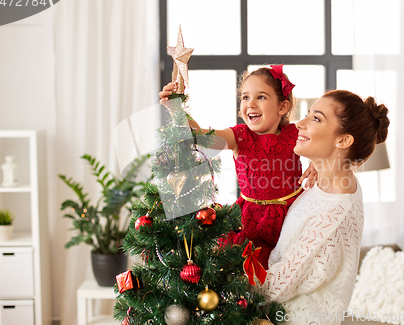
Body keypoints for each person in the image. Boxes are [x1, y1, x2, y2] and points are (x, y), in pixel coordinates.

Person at [255, 90, 390, 325]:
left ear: (343, 140)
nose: (299, 123)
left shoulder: (334, 215)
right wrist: (319, 161)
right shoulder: (334, 180)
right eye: (307, 114)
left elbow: (274, 288)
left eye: (316, 118)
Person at [159, 65, 307, 269]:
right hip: (250, 220)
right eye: (245, 97)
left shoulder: (294, 134)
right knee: (247, 272)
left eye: (261, 97)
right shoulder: (239, 135)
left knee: (285, 271)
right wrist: (176, 109)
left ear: (282, 107)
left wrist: (319, 165)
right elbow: (201, 137)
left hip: (291, 218)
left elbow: (327, 146)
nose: (250, 104)